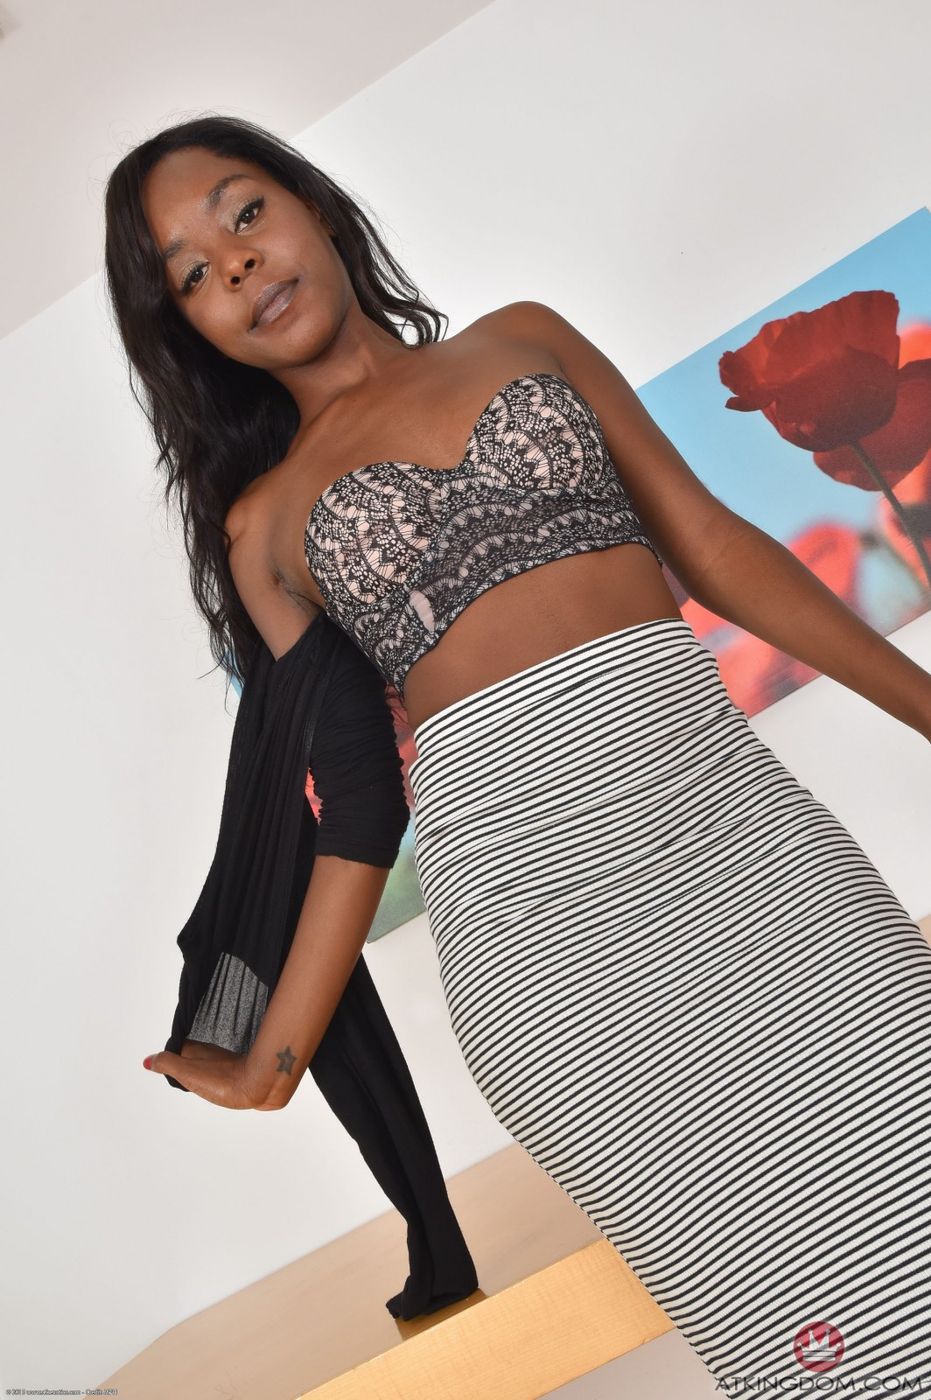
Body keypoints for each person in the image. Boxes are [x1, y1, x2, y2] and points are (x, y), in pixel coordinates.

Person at [106, 115, 931, 1383]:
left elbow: (714, 548)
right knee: (815, 1332)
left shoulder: (524, 338)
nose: (239, 266)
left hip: (752, 852)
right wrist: (274, 1057)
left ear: (311, 203)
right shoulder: (264, 526)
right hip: (551, 958)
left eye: (246, 214)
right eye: (194, 276)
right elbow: (358, 807)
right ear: (191, 332)